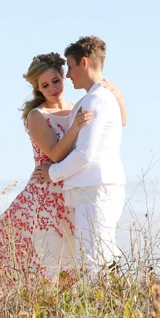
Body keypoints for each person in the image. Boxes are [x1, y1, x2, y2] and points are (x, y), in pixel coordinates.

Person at [0, 51, 124, 296]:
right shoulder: (37, 116)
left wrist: (114, 92)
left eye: (56, 81)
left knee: (82, 260)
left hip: (73, 192)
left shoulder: (79, 106)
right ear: (37, 88)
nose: (52, 89)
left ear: (63, 77)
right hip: (46, 198)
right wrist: (76, 127)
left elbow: (120, 121)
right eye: (44, 85)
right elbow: (56, 154)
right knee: (47, 264)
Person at [48, 35, 126, 273]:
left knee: (95, 259)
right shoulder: (98, 97)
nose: (68, 75)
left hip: (95, 189)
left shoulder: (95, 99)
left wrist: (53, 173)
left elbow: (84, 154)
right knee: (102, 255)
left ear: (84, 62)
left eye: (70, 67)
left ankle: (106, 308)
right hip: (96, 188)